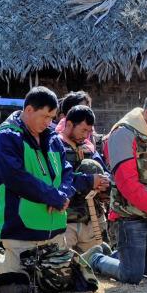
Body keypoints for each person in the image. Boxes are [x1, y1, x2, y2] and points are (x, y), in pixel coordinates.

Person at [84, 89, 147, 284]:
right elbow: (126, 183)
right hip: (130, 217)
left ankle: (120, 256)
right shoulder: (123, 134)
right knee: (131, 275)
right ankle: (96, 258)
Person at [0, 87, 73, 274]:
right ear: (29, 110)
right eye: (45, 116)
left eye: (52, 117)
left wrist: (62, 194)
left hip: (54, 228)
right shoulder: (7, 137)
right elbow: (15, 178)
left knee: (59, 280)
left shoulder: (53, 138)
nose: (49, 122)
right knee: (22, 278)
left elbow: (67, 171)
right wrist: (51, 196)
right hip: (20, 228)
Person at [59, 105, 110, 253]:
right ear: (69, 124)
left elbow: (104, 173)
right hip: (66, 223)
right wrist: (88, 181)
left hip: (92, 220)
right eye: (83, 130)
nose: (86, 135)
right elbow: (58, 180)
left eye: (89, 131)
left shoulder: (88, 148)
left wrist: (104, 183)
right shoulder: (54, 146)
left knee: (96, 268)